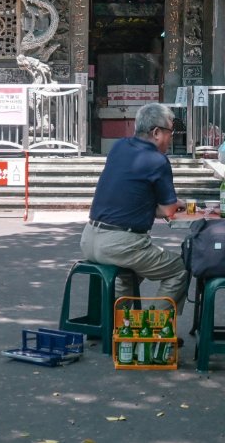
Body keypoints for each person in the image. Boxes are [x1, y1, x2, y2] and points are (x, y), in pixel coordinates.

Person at [79, 103, 189, 315]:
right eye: (170, 132)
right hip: (120, 245)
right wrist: (177, 203)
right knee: (180, 269)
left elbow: (134, 200)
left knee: (132, 273)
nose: (171, 138)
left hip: (89, 238)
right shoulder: (158, 160)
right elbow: (167, 211)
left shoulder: (119, 146)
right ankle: (152, 325)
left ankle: (121, 327)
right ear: (156, 132)